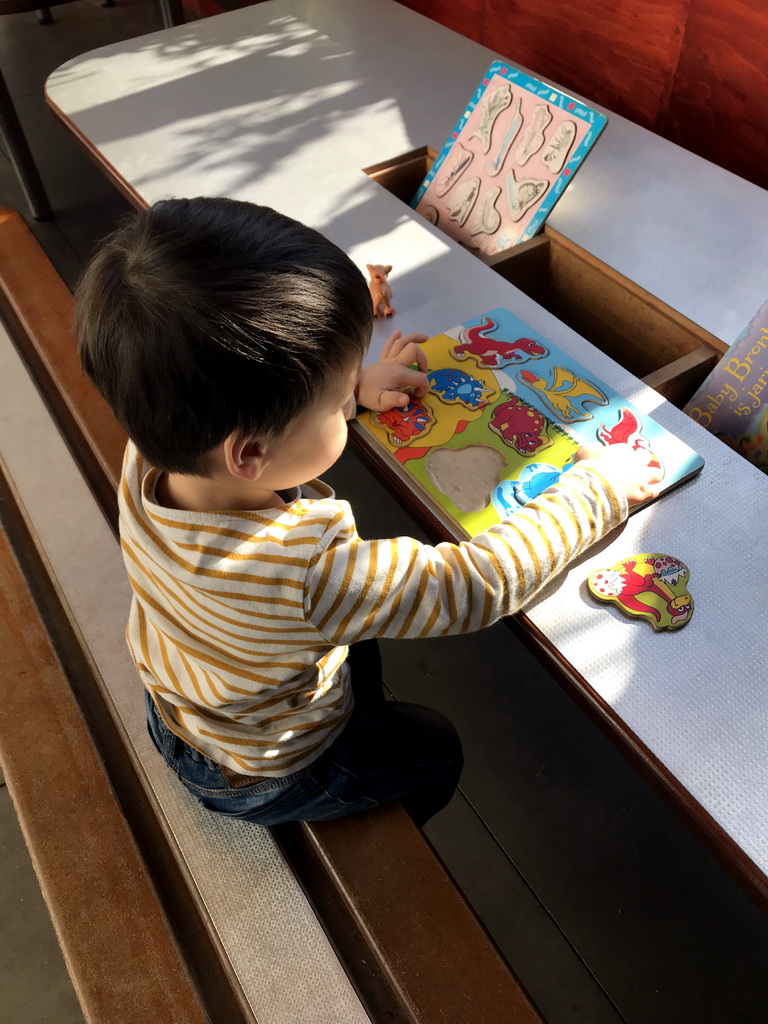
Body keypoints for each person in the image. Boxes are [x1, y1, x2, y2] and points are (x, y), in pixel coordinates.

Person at [75, 196, 660, 828]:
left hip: (189, 700)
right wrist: (597, 492)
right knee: (432, 747)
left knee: (354, 641)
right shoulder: (308, 577)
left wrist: (348, 386)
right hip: (273, 768)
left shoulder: (158, 445)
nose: (345, 404)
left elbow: (254, 403)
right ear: (250, 451)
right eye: (334, 400)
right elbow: (473, 585)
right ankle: (372, 818)